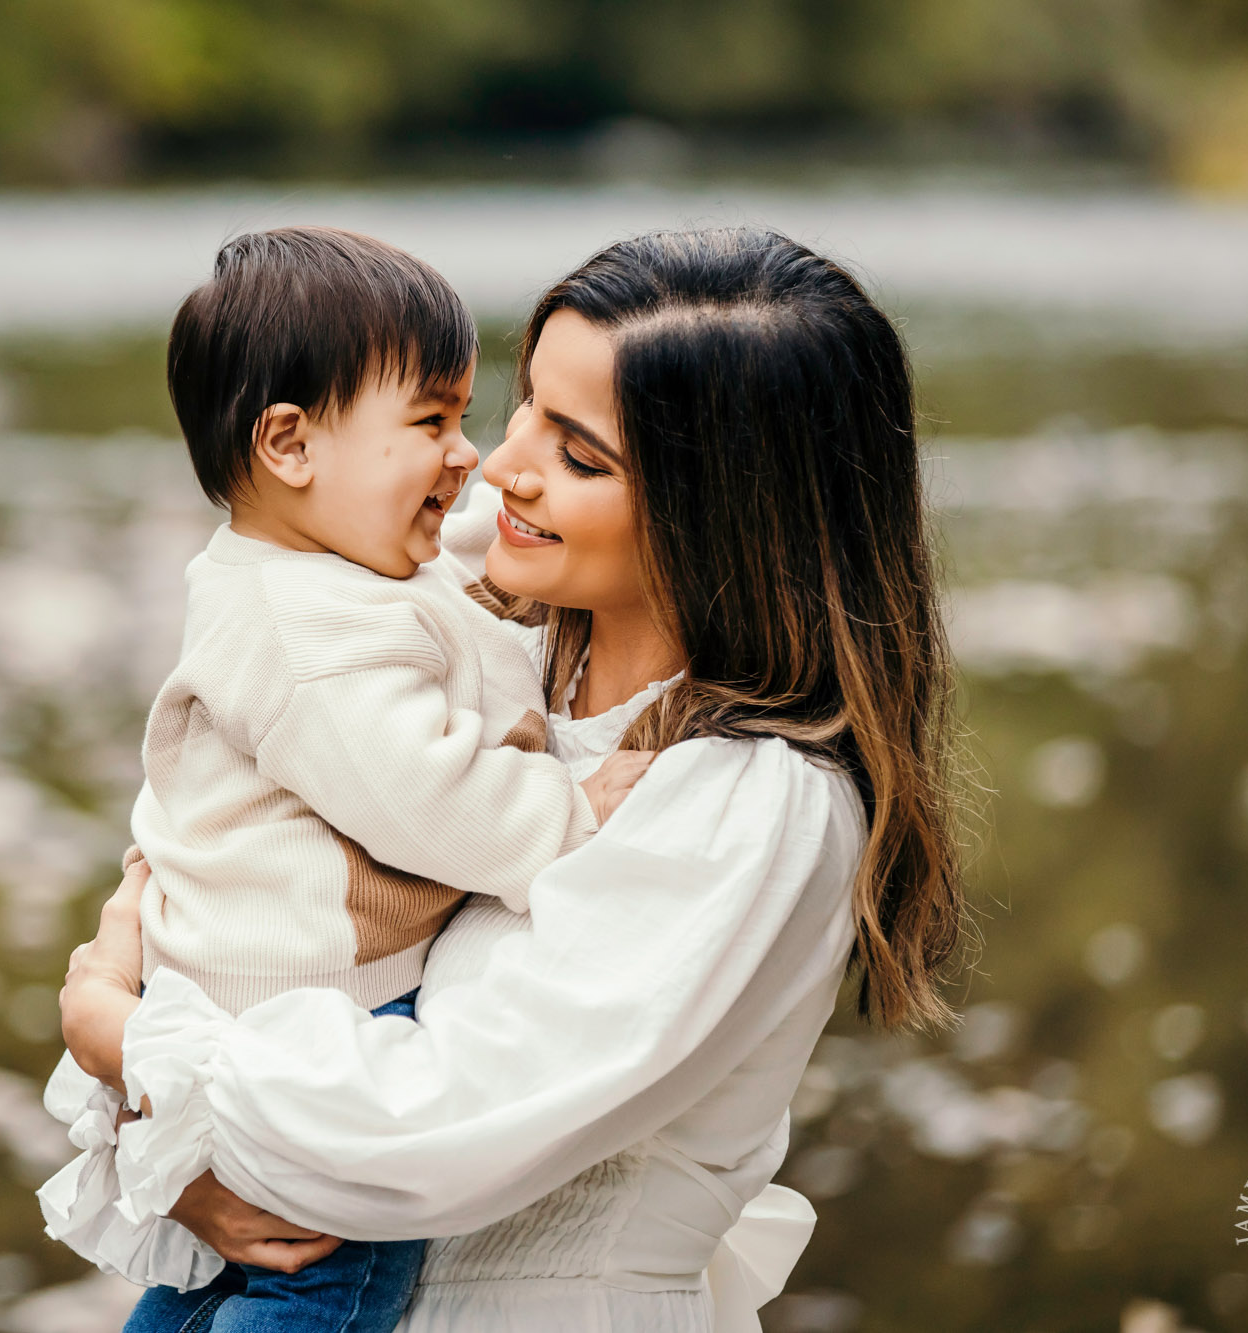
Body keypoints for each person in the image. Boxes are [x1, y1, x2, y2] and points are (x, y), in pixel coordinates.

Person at [58, 226, 965, 1333]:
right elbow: (211, 813)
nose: (497, 462)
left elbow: (420, 1130)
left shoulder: (748, 803)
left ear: (725, 508)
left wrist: (127, 1039)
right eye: (522, 406)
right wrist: (157, 1097)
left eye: (578, 454)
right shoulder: (486, 639)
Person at [37, 226, 654, 1333]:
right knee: (320, 1286)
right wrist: (569, 810)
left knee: (191, 1298)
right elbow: (431, 797)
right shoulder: (307, 635)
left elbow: (454, 569)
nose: (468, 456)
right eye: (429, 421)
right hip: (303, 1043)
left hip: (235, 1027)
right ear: (288, 444)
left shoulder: (309, 569)